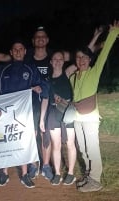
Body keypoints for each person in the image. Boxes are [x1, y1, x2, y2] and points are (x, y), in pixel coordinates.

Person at [72, 20, 119, 192]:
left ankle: (96, 180)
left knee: (92, 148)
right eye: (78, 57)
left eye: (85, 57)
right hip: (77, 119)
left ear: (89, 59)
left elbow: (104, 53)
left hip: (91, 118)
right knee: (82, 148)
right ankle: (89, 175)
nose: (82, 60)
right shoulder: (72, 77)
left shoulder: (94, 71)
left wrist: (113, 32)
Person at [0, 39, 49, 188]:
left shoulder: (31, 68)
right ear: (11, 53)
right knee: (7, 141)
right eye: (15, 49)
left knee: (23, 142)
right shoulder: (3, 70)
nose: (18, 52)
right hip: (7, 113)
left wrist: (39, 88)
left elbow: (43, 85)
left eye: (21, 49)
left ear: (25, 52)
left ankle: (24, 174)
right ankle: (4, 172)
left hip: (26, 112)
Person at [42, 51, 77, 186]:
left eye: (60, 59)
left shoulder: (67, 73)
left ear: (64, 61)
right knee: (56, 145)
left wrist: (96, 38)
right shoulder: (47, 80)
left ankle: (71, 173)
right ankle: (57, 173)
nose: (57, 61)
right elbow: (45, 99)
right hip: (53, 113)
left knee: (70, 144)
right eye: (54, 59)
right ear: (50, 62)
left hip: (67, 112)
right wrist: (41, 120)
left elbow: (82, 59)